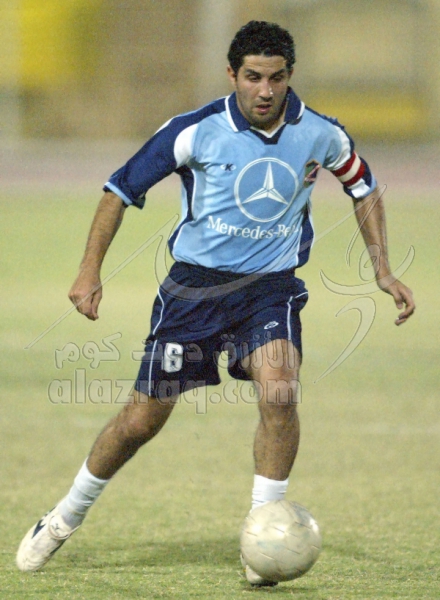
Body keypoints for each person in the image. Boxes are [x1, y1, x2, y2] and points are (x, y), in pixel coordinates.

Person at [16, 20, 415, 586]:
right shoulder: (194, 130)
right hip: (194, 291)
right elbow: (119, 190)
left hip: (270, 289)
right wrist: (89, 271)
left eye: (276, 77)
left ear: (290, 76)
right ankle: (62, 518)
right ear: (232, 74)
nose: (265, 90)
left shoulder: (320, 133)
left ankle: (262, 534)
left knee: (280, 389)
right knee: (140, 421)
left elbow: (364, 187)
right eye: (253, 77)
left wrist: (383, 269)